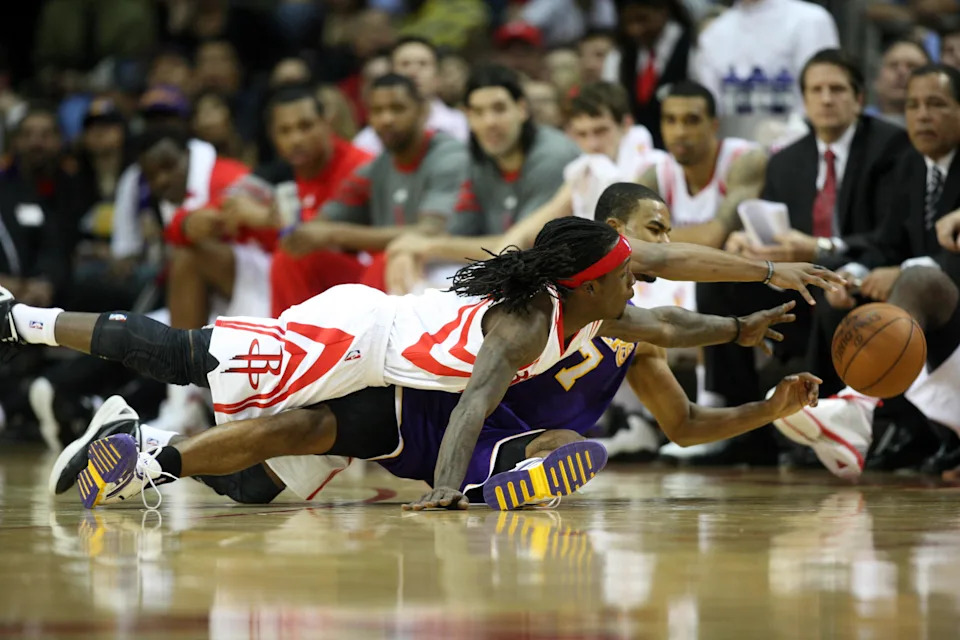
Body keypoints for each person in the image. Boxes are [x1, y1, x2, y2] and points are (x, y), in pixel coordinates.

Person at [51, 184, 822, 511]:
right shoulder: (558, 301)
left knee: (262, 486)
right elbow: (484, 382)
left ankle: (142, 444)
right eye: (651, 235)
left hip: (469, 426)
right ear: (612, 244)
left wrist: (754, 376)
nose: (660, 251)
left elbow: (680, 388)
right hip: (413, 388)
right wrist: (763, 272)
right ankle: (141, 440)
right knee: (228, 383)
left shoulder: (620, 319)